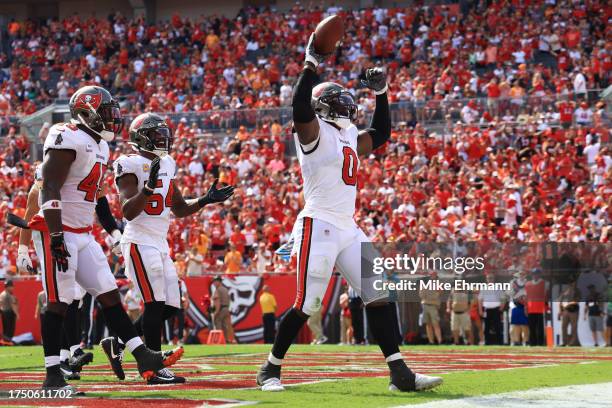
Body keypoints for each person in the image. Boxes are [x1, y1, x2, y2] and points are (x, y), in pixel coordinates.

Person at [256, 33, 442, 392]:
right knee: (306, 302)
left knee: (380, 292)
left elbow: (382, 131)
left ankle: (399, 373)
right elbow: (298, 106)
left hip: (347, 226)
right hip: (319, 221)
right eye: (338, 102)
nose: (346, 107)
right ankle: (270, 369)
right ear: (322, 106)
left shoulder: (348, 135)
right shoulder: (312, 131)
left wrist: (382, 92)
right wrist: (311, 63)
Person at [33, 85, 183, 391]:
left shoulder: (100, 146)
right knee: (59, 302)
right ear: (86, 112)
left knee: (110, 297)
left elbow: (96, 199)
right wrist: (57, 235)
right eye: (105, 112)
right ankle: (52, 374)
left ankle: (144, 358)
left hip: (84, 233)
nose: (112, 119)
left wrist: (108, 230)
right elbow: (48, 186)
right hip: (57, 229)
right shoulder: (67, 135)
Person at [110, 112, 234, 384]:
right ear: (141, 137)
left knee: (170, 307)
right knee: (154, 305)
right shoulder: (128, 163)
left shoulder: (167, 163)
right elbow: (128, 211)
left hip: (159, 242)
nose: (162, 139)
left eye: (163, 133)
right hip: (139, 240)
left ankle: (120, 342)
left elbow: (177, 207)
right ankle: (152, 368)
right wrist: (149, 187)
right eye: (156, 134)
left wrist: (204, 200)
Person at [479, 274, 507, 345]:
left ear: (493, 279)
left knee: (497, 326)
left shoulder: (498, 288)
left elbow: (503, 298)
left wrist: (501, 308)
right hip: (487, 310)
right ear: (486, 279)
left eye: (491, 278)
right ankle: (487, 342)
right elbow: (480, 300)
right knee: (486, 327)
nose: (490, 280)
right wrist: (480, 310)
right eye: (488, 278)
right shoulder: (483, 288)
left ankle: (500, 342)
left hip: (496, 310)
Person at [525, 268, 547, 346]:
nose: (535, 275)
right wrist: (526, 308)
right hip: (531, 309)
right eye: (534, 274)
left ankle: (540, 343)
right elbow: (526, 297)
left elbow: (546, 296)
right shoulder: (527, 284)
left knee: (540, 327)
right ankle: (532, 343)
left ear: (539, 274)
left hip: (540, 309)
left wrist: (546, 308)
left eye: (537, 274)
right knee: (532, 327)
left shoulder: (544, 283)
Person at [419, 272, 442, 345]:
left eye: (433, 275)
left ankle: (440, 341)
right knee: (428, 324)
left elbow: (437, 295)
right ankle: (431, 341)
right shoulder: (424, 283)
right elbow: (421, 295)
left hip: (433, 306)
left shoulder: (438, 283)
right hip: (425, 305)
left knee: (436, 324)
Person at [211, 277, 236, 343]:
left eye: (215, 281)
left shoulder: (218, 290)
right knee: (226, 325)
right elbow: (229, 300)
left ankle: (220, 340)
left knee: (218, 323)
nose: (214, 283)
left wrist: (216, 312)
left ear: (219, 282)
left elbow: (217, 301)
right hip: (226, 308)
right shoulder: (225, 289)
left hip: (221, 309)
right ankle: (227, 340)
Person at [510, 271, 529, 346]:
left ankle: (526, 341)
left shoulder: (527, 282)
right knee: (515, 325)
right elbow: (510, 293)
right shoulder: (513, 282)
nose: (521, 275)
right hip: (515, 305)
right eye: (520, 274)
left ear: (525, 274)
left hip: (524, 305)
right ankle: (516, 341)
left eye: (523, 273)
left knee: (525, 325)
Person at [558, 281, 580, 346]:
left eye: (573, 283)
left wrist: (568, 304)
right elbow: (560, 301)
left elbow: (577, 301)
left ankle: (573, 342)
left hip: (574, 311)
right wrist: (560, 311)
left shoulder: (577, 291)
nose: (572, 285)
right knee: (563, 327)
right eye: (570, 283)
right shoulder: (565, 292)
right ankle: (564, 342)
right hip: (565, 311)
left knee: (573, 327)